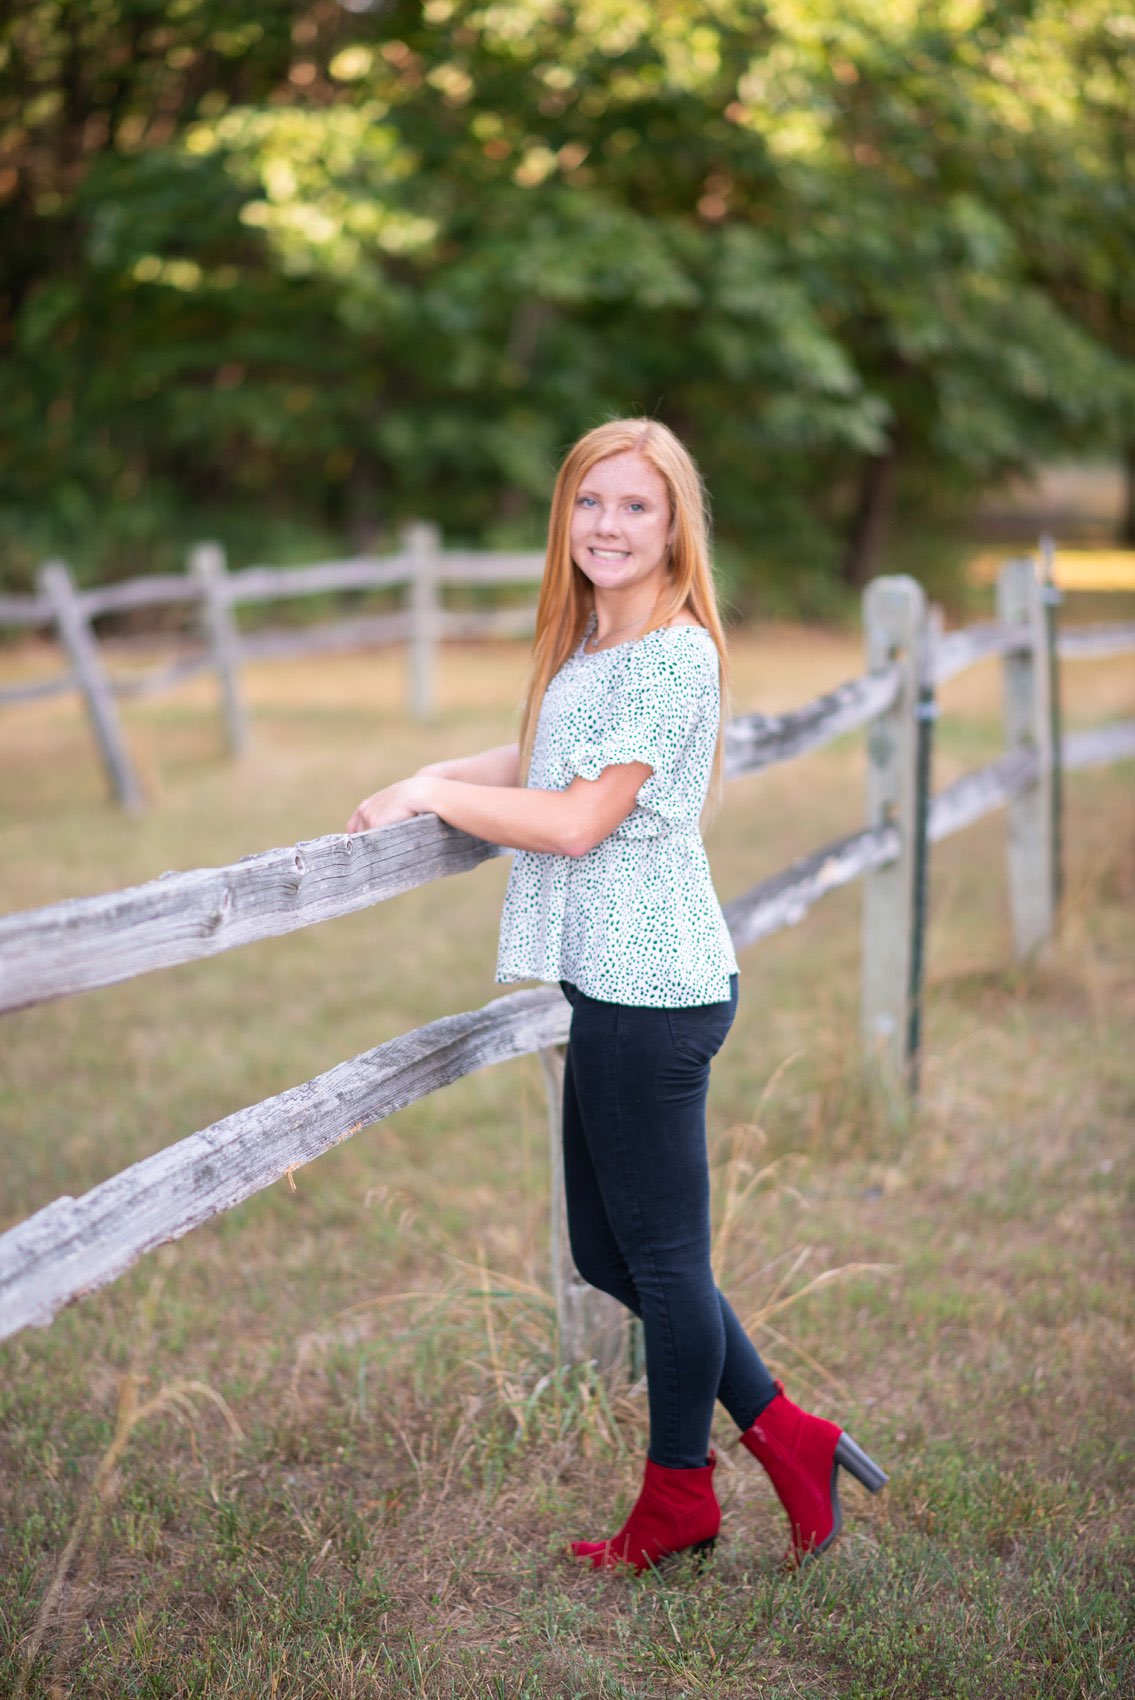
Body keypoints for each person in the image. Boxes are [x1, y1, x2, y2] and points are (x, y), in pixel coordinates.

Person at [347, 418, 886, 1572]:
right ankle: (791, 1433)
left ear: (673, 522)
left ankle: (679, 1497)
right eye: (590, 502)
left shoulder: (673, 652)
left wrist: (438, 800)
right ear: (566, 516)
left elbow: (577, 818)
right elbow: (545, 761)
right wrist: (426, 777)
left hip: (654, 994)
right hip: (615, 983)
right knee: (614, 1254)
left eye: (635, 505)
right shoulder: (596, 638)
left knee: (663, 1262)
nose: (607, 525)